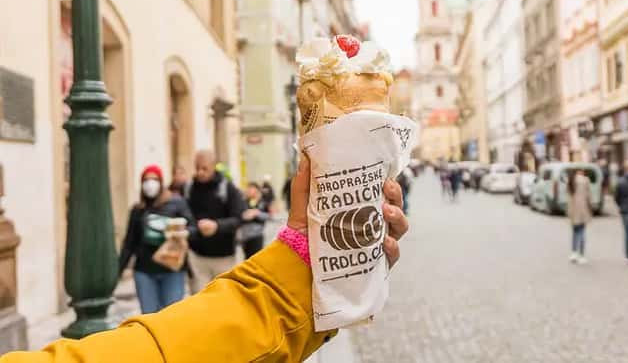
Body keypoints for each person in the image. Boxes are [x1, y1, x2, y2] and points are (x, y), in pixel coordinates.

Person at [0, 156, 410, 362]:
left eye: (201, 166)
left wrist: (210, 228)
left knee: (169, 314)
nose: (197, 171)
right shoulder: (151, 205)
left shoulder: (195, 195)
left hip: (203, 261)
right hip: (167, 266)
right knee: (158, 315)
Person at [119, 165, 195, 314]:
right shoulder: (138, 210)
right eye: (146, 180)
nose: (150, 184)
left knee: (171, 315)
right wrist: (119, 269)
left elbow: (193, 228)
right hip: (144, 271)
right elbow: (129, 242)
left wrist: (183, 233)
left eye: (154, 179)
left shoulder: (176, 203)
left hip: (172, 269)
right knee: (149, 316)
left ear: (161, 182)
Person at [184, 150, 244, 293]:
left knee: (222, 301)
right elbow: (185, 216)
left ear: (213, 166)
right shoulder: (189, 188)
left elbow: (238, 218)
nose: (200, 172)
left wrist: (217, 226)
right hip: (197, 256)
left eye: (204, 168)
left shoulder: (228, 188)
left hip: (223, 257)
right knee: (199, 302)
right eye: (197, 168)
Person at [567, 169, 592, 264]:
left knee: (574, 232)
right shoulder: (585, 180)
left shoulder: (570, 180)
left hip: (573, 210)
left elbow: (568, 197)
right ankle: (581, 255)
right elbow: (589, 196)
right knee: (582, 232)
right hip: (583, 210)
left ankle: (574, 253)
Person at [240, 182, 269, 259]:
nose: (249, 191)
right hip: (245, 236)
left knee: (256, 259)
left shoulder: (262, 202)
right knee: (247, 258)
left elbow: (267, 216)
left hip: (257, 235)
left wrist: (256, 213)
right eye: (248, 189)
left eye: (252, 189)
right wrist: (244, 215)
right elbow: (239, 215)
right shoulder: (243, 202)